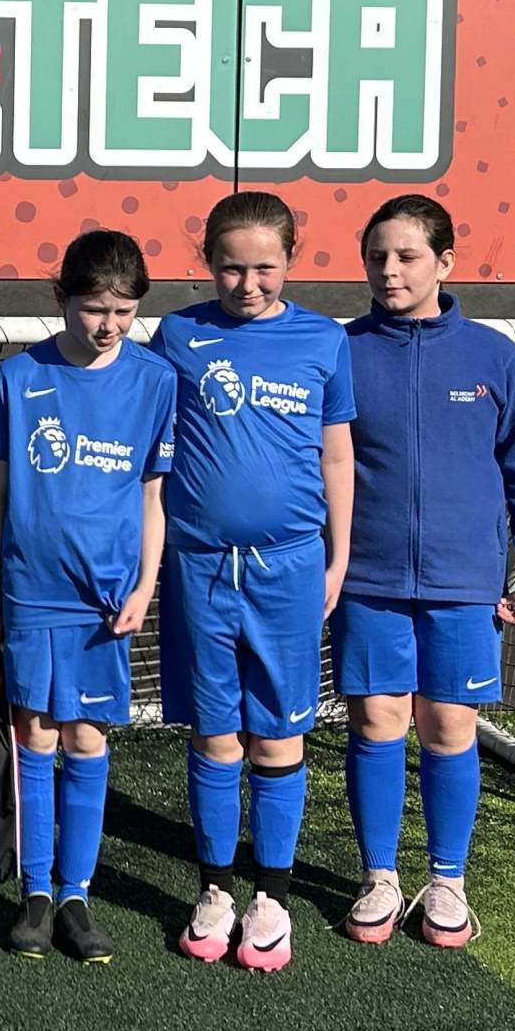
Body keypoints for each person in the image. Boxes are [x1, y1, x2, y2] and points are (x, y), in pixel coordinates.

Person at [336, 194, 515, 948]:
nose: (389, 270)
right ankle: (379, 877)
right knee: (377, 721)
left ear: (445, 262)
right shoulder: (341, 350)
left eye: (406, 256)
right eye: (377, 256)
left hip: (465, 583)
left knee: (449, 724)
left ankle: (447, 881)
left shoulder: (493, 356)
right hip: (367, 579)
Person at [151, 191, 354, 973]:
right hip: (199, 566)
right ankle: (214, 889)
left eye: (265, 267)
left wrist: (337, 556)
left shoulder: (323, 340)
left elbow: (337, 454)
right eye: (231, 267)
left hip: (291, 567)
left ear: (291, 258)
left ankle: (271, 897)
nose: (248, 283)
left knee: (278, 731)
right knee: (214, 732)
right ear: (207, 261)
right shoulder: (178, 335)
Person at [0, 230, 175, 964]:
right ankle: (35, 893)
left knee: (86, 737)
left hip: (104, 601)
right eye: (94, 309)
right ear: (61, 298)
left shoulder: (155, 381)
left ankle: (76, 894)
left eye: (123, 310)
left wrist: (145, 586)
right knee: (36, 735)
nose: (109, 324)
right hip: (31, 592)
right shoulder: (20, 376)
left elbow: (153, 498)